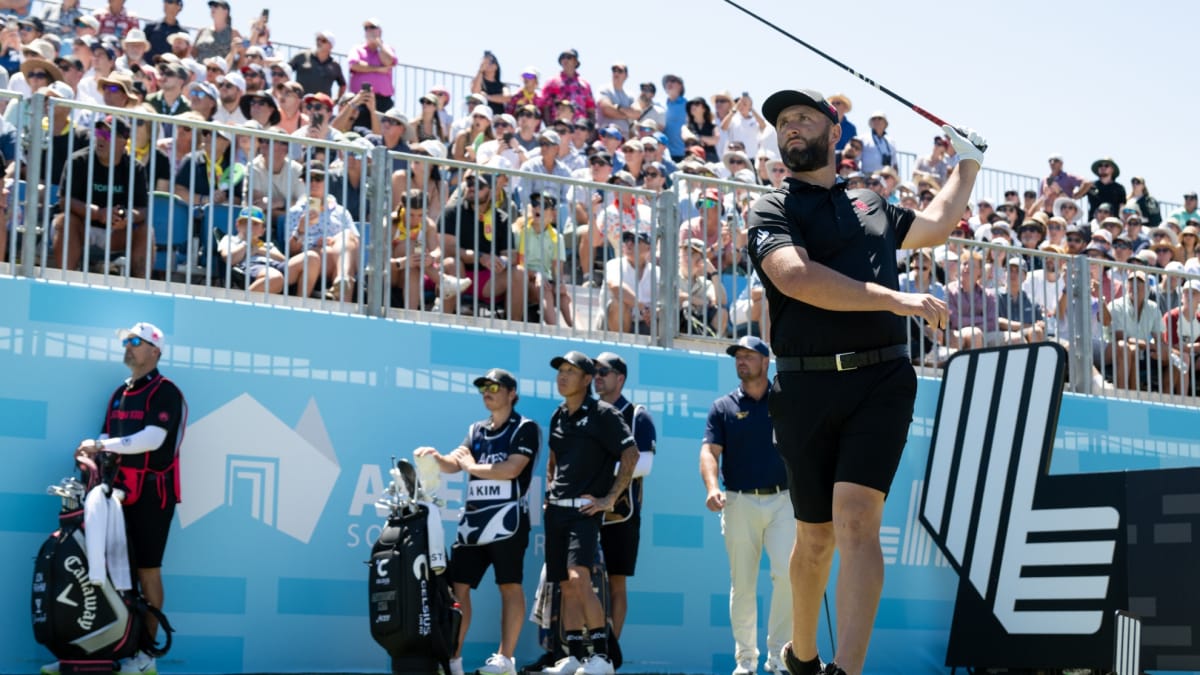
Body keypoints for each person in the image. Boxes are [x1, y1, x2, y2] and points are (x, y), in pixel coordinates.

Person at [746, 89, 984, 675]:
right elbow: (796, 278)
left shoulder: (869, 199)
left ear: (836, 131)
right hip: (804, 387)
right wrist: (896, 297)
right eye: (782, 122)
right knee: (816, 537)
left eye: (803, 117)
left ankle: (846, 671)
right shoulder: (771, 208)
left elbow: (932, 226)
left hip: (882, 377)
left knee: (856, 521)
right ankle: (802, 657)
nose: (790, 127)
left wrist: (970, 162)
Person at [46, 322, 186, 675]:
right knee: (107, 572)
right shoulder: (118, 393)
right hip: (114, 496)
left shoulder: (166, 391)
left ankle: (146, 656)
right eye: (126, 341)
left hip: (154, 497)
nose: (128, 346)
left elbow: (152, 439)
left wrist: (101, 444)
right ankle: (106, 648)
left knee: (147, 572)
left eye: (135, 341)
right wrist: (91, 448)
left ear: (155, 350)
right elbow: (108, 435)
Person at [415, 368, 539, 675]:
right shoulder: (476, 430)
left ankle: (505, 659)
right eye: (483, 386)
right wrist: (434, 457)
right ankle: (453, 659)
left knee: (509, 586)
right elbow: (455, 463)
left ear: (512, 393)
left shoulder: (525, 428)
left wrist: (472, 465)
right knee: (458, 590)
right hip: (473, 524)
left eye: (495, 387)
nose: (487, 390)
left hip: (507, 520)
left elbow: (511, 469)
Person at [541, 350, 639, 675]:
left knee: (578, 577)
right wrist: (548, 491)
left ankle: (603, 657)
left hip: (584, 512)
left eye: (571, 371)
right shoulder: (557, 416)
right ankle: (574, 656)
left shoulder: (604, 414)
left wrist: (610, 497)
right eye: (560, 371)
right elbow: (554, 460)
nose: (563, 376)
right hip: (555, 512)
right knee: (564, 585)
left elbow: (631, 454)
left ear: (587, 380)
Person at [700, 336, 792, 675]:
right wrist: (712, 487)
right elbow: (709, 452)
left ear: (766, 361)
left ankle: (780, 659)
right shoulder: (722, 407)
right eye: (737, 356)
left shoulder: (786, 401)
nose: (741, 361)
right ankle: (746, 662)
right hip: (738, 501)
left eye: (749, 356)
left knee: (787, 577)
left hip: (785, 500)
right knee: (743, 584)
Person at [591, 351, 656, 641]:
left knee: (616, 584)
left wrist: (602, 470)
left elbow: (645, 464)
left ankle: (610, 651)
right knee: (579, 582)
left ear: (620, 378)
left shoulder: (637, 415)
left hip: (621, 514)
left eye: (604, 372)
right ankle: (578, 648)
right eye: (595, 372)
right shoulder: (587, 413)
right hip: (586, 511)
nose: (598, 377)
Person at [217, 206, 321, 296]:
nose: (250, 226)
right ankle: (240, 306)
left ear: (262, 230)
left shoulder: (266, 245)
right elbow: (229, 259)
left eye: (255, 224)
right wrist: (247, 243)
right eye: (245, 222)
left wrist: (260, 250)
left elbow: (284, 260)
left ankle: (300, 305)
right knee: (275, 277)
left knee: (311, 257)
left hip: (276, 267)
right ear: (237, 225)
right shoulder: (230, 239)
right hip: (252, 267)